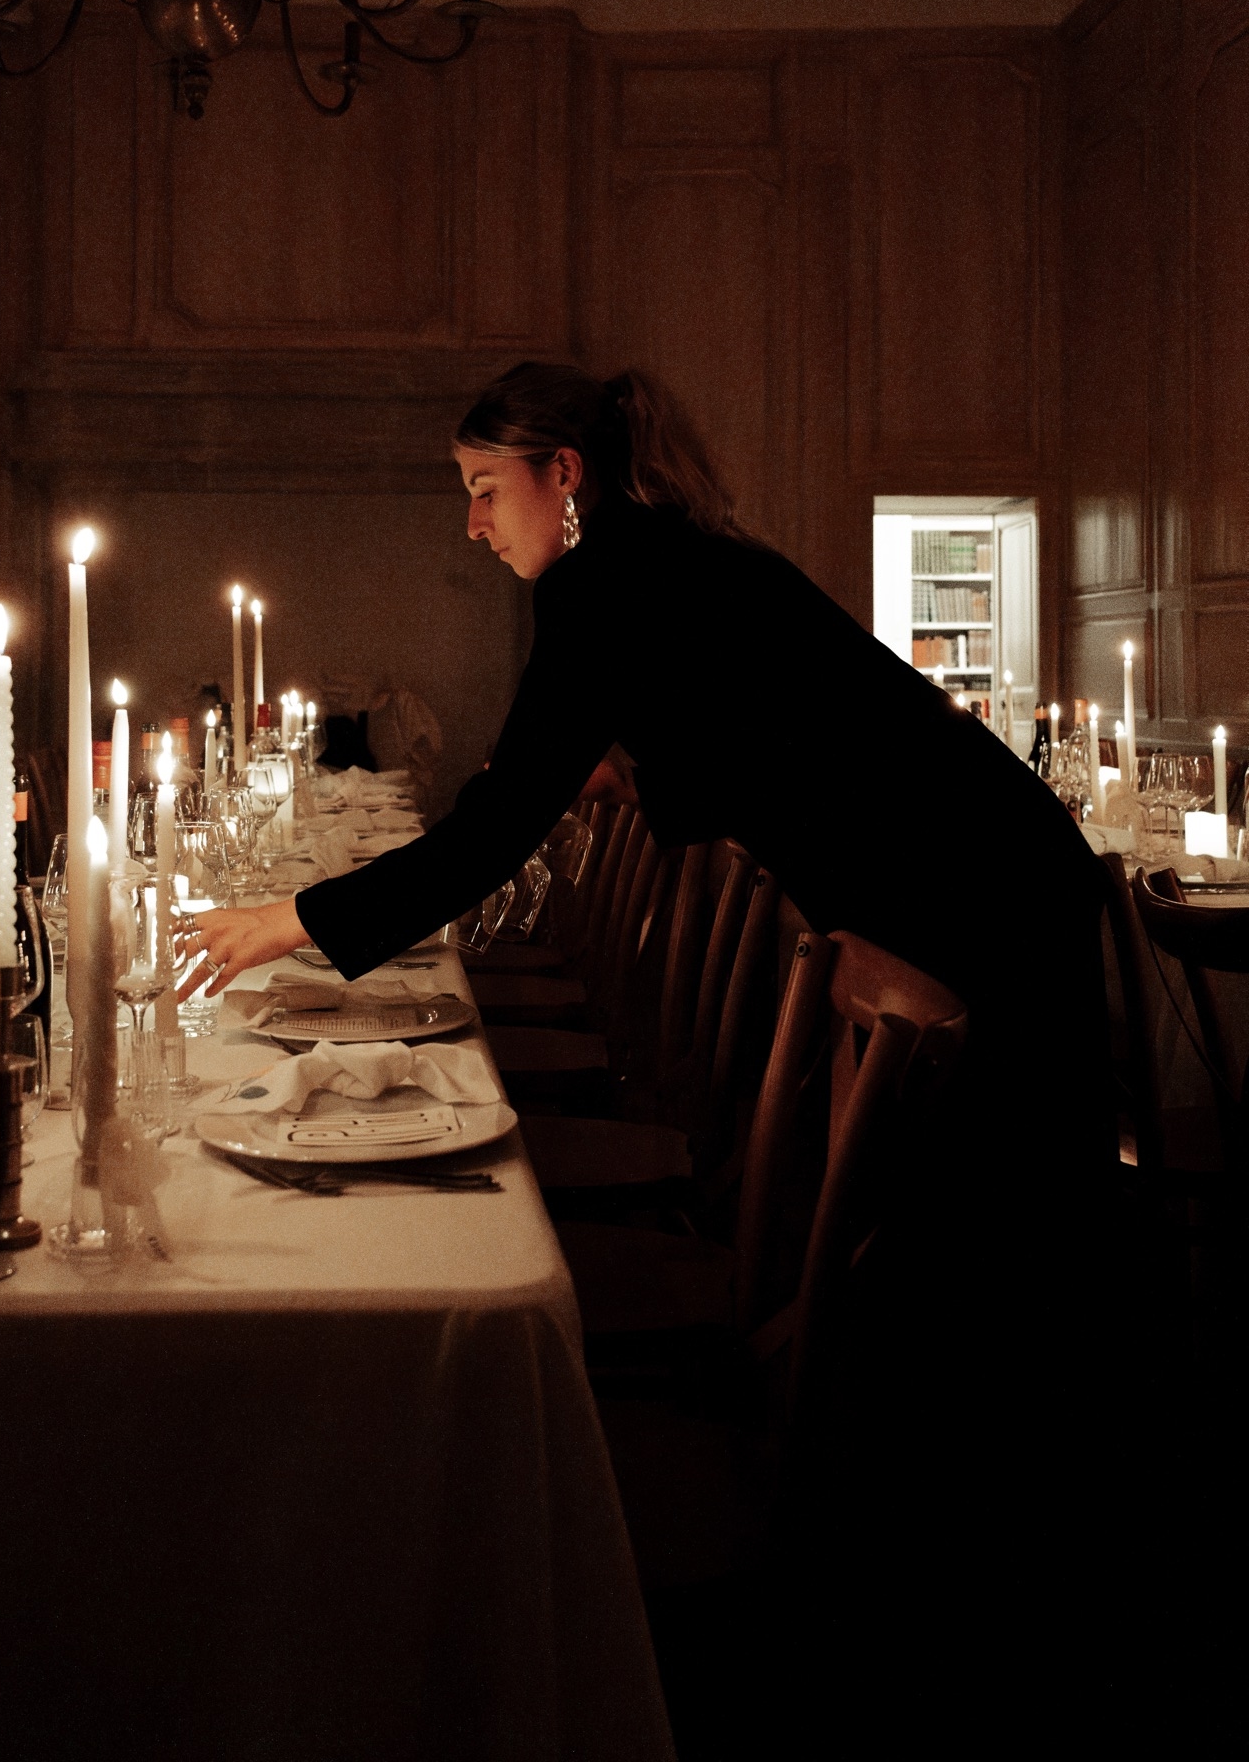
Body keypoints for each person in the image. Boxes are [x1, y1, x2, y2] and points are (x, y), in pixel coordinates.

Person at [190, 363, 1121, 1652]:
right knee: (986, 1250)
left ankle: (990, 1584)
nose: (472, 523)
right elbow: (738, 733)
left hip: (983, 894)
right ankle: (977, 1552)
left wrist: (288, 921)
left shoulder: (604, 586)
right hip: (983, 867)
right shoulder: (649, 565)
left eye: (481, 490)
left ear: (560, 476)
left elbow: (494, 831)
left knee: (1014, 1246)